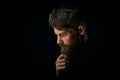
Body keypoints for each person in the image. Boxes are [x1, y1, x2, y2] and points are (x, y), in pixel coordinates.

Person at [49, 6, 105, 80]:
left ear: (81, 30)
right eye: (57, 36)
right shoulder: (67, 58)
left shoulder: (101, 57)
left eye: (62, 35)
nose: (58, 42)